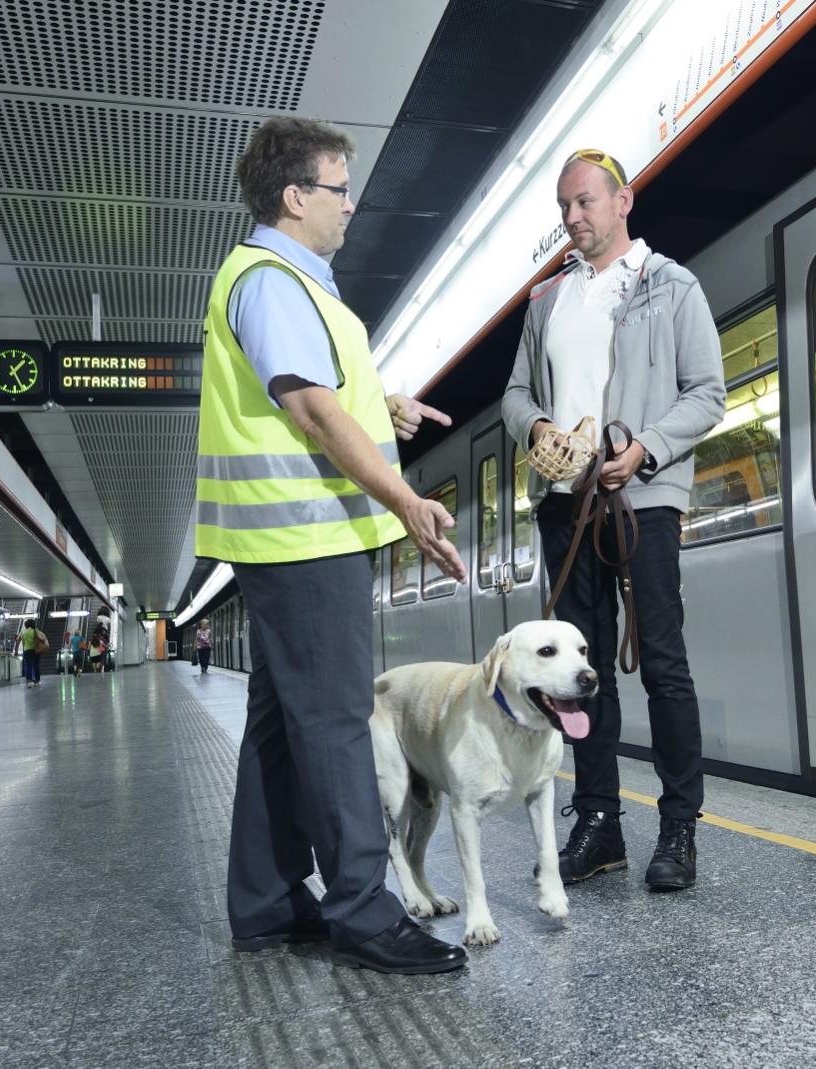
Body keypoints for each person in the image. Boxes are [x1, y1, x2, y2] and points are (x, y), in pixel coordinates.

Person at [197, 117, 468, 975]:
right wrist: (407, 499)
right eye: (340, 186)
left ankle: (268, 902)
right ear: (296, 196)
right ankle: (363, 907)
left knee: (281, 727)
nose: (352, 204)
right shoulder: (274, 280)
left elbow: (324, 392)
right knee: (338, 722)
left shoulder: (294, 284)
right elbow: (309, 409)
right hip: (302, 536)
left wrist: (383, 406)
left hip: (291, 537)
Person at [501, 148, 725, 891]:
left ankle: (678, 829)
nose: (572, 219)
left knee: (661, 662)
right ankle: (599, 825)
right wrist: (535, 429)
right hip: (566, 507)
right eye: (563, 208)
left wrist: (648, 451)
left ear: (623, 200)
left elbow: (707, 393)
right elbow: (515, 393)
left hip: (642, 501)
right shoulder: (546, 302)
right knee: (576, 675)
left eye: (585, 203)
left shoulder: (671, 286)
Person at [18, 620, 42, 688]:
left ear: (26, 625)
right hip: (36, 650)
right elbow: (41, 639)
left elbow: (23, 642)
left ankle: (29, 681)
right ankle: (37, 681)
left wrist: (25, 649)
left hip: (27, 650)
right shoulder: (36, 631)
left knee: (29, 666)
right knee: (36, 666)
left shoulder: (24, 632)